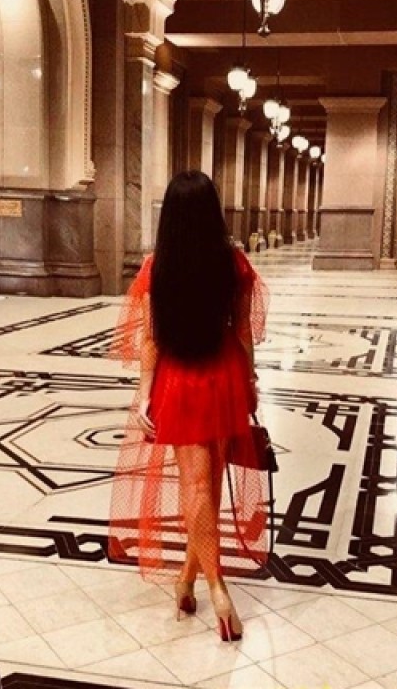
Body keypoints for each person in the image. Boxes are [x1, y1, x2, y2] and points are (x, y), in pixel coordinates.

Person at [108, 170, 270, 643]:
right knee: (208, 490)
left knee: (197, 489)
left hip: (179, 383)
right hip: (224, 378)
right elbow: (243, 330)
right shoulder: (234, 263)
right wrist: (251, 381)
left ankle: (213, 588)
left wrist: (144, 393)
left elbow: (152, 339)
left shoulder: (157, 266)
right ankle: (189, 581)